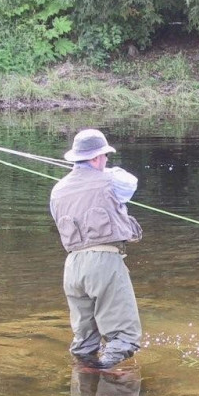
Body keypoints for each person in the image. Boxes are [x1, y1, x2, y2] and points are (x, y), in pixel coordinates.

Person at [50, 129, 143, 369]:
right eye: (105, 156)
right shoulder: (111, 180)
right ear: (95, 158)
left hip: (72, 268)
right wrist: (105, 171)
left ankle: (84, 385)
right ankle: (108, 380)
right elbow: (130, 183)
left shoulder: (57, 190)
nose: (107, 161)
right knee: (124, 338)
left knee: (84, 342)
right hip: (104, 262)